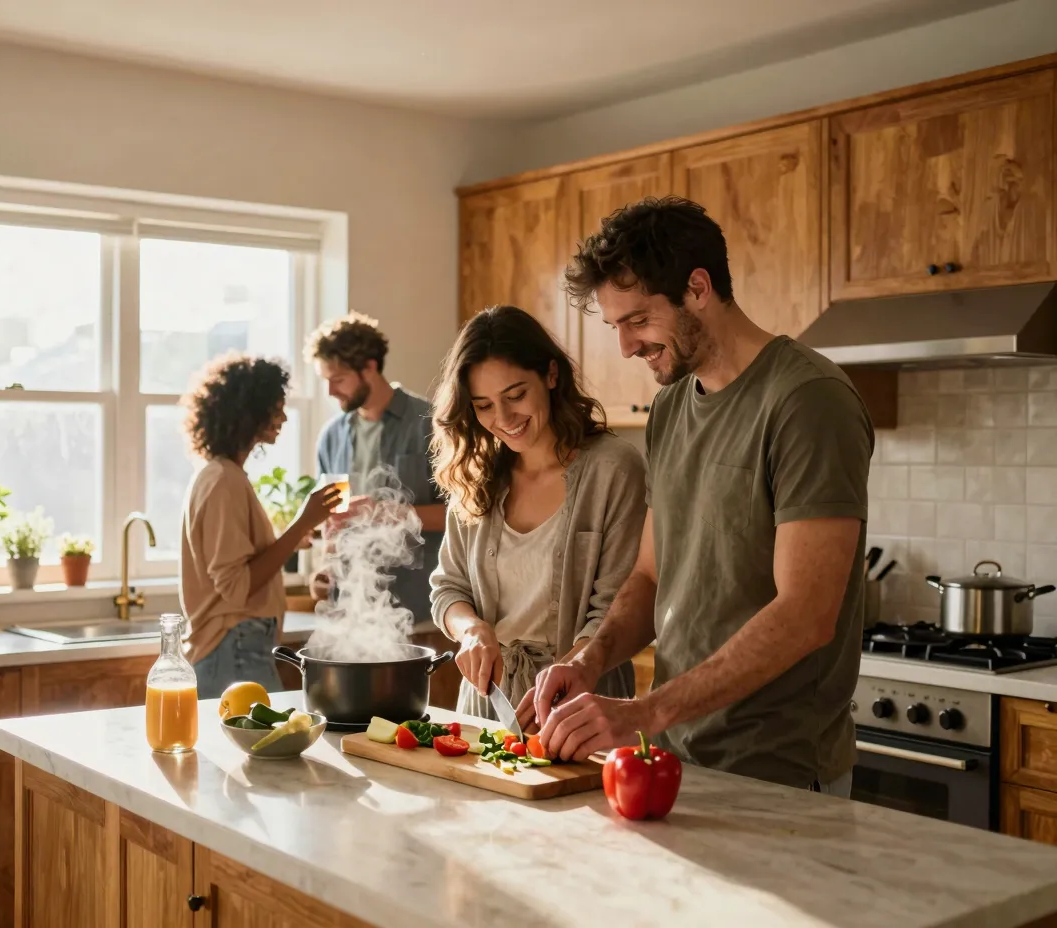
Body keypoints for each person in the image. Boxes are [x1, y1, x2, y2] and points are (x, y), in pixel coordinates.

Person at [530, 196, 873, 797]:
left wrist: (645, 712)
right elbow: (650, 575)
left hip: (779, 769)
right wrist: (589, 659)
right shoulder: (670, 406)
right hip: (672, 755)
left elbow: (806, 616)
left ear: (697, 287)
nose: (626, 348)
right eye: (615, 328)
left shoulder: (807, 400)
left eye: (637, 320)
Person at [430, 305, 642, 720]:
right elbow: (448, 589)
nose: (503, 419)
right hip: (486, 706)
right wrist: (471, 631)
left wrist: (573, 670)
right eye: (484, 405)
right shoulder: (476, 474)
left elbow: (618, 609)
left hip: (580, 705)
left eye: (515, 396)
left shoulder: (613, 469)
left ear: (550, 375)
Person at [179, 353, 341, 699]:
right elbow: (237, 587)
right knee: (268, 750)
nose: (283, 416)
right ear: (248, 411)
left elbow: (238, 568)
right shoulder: (224, 481)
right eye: (275, 407)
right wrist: (301, 524)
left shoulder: (220, 475)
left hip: (235, 646)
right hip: (234, 648)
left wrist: (294, 536)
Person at [306, 313, 445, 621]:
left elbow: (463, 516)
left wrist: (387, 512)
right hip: (348, 606)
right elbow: (332, 520)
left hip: (415, 606)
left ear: (370, 367)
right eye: (325, 381)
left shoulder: (429, 424)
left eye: (338, 379)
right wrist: (326, 566)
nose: (330, 392)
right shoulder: (331, 437)